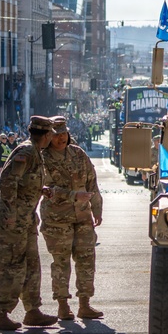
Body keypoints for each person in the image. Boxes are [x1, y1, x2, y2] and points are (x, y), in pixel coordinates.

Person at [0, 116, 60, 331]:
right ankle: (1, 313)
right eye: (51, 135)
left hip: (24, 217)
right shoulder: (26, 152)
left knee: (31, 263)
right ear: (46, 135)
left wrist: (40, 191)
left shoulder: (35, 152)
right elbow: (7, 182)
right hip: (12, 217)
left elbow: (25, 182)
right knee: (13, 264)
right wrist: (11, 211)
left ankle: (32, 310)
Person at [40, 117, 104, 321]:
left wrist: (97, 208)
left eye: (64, 134)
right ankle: (62, 305)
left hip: (83, 216)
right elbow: (45, 189)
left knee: (86, 260)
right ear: (49, 137)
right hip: (57, 219)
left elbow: (92, 182)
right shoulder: (43, 159)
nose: (61, 138)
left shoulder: (78, 154)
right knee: (61, 263)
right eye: (56, 135)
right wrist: (71, 196)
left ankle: (85, 304)